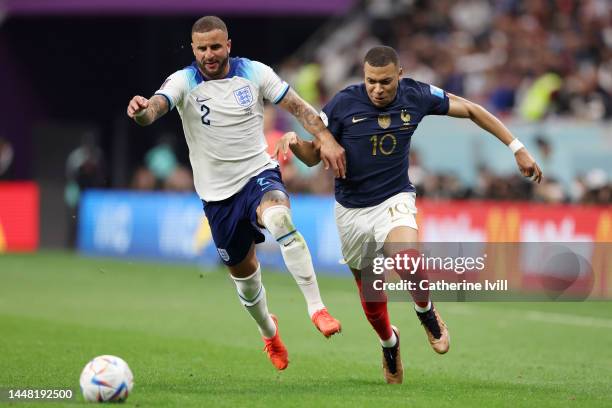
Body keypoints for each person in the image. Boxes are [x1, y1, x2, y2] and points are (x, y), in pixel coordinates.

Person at [276, 46, 542, 383]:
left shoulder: (416, 95)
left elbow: (472, 110)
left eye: (385, 81)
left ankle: (427, 312)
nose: (377, 89)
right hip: (351, 211)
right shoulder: (344, 103)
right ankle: (390, 342)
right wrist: (294, 141)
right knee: (373, 300)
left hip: (394, 199)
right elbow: (315, 155)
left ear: (399, 75)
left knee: (407, 260)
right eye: (371, 81)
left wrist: (517, 148)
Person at [126, 16, 346, 371]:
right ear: (193, 49)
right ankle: (269, 332)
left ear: (228, 44)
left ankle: (316, 308)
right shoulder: (183, 81)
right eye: (202, 48)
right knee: (246, 281)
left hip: (258, 173)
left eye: (216, 46)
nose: (210, 54)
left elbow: (300, 108)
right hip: (217, 197)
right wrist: (140, 112)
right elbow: (154, 109)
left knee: (280, 218)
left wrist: (326, 139)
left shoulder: (255, 73)